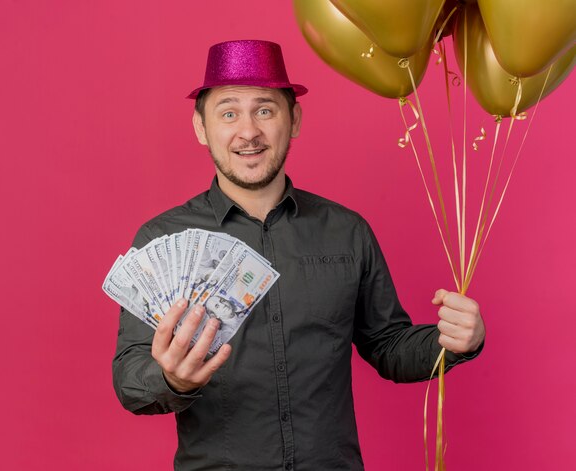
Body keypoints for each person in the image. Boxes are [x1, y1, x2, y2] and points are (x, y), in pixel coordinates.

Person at [112, 40, 485, 470]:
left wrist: (454, 343)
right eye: (228, 112)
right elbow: (129, 381)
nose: (248, 131)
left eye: (265, 110)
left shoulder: (347, 232)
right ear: (201, 128)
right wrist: (171, 379)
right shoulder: (161, 239)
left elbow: (389, 347)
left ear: (295, 121)